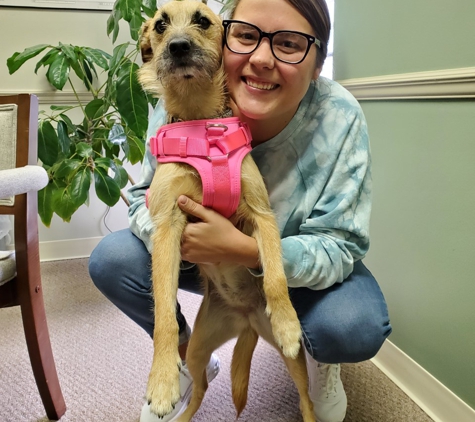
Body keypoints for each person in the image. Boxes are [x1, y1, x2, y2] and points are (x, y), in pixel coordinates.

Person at [89, 0, 392, 421]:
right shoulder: (184, 86)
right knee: (112, 258)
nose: (262, 59)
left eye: (289, 43)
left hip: (297, 270)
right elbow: (143, 196)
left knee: (352, 325)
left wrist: (243, 250)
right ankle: (181, 357)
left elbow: (341, 243)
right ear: (228, 38)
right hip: (208, 268)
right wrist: (180, 234)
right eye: (247, 36)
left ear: (318, 61)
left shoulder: (338, 116)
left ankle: (321, 356)